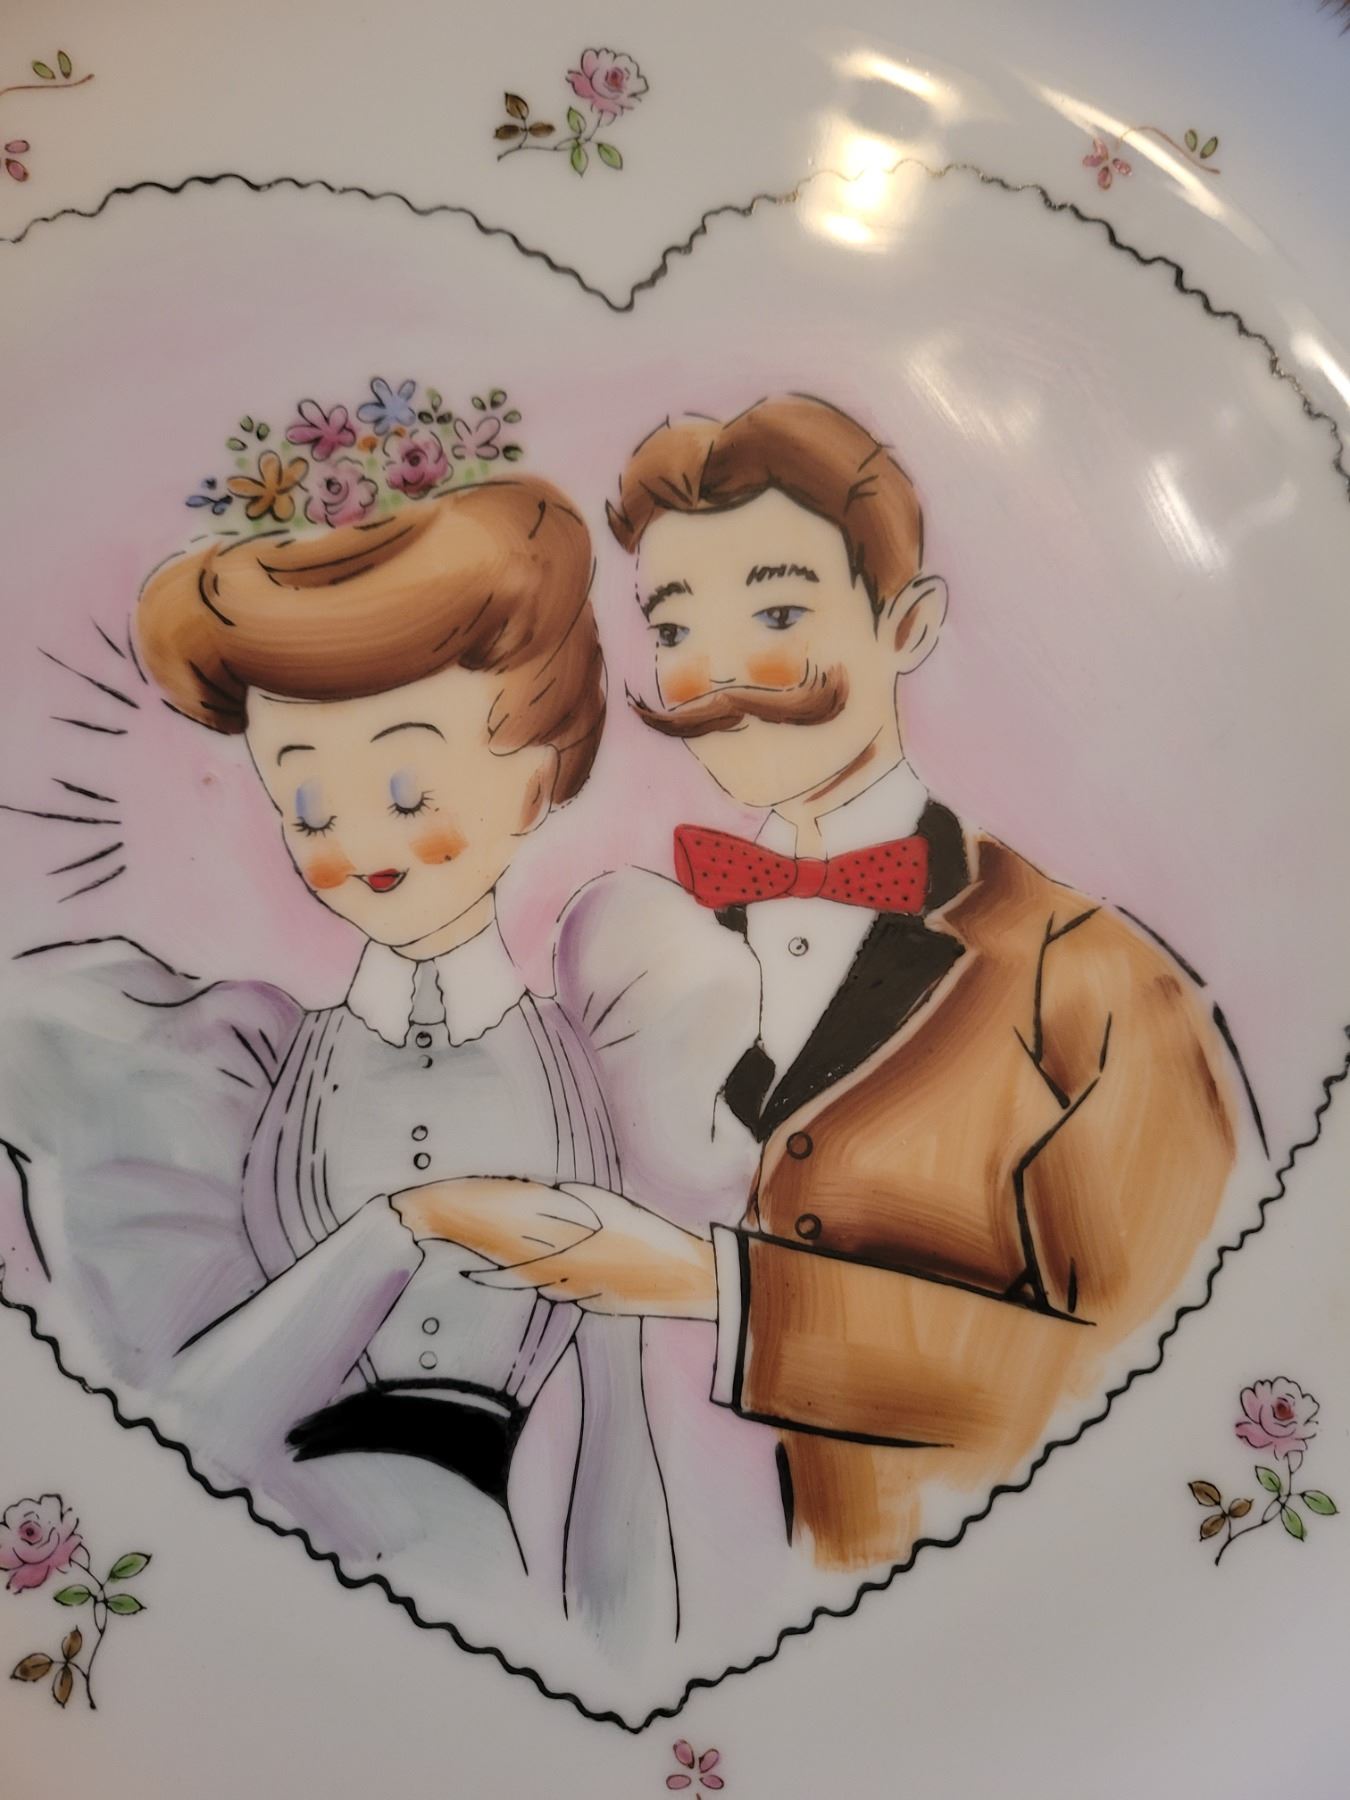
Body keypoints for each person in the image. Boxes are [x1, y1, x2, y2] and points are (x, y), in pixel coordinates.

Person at [475, 395, 1258, 1574]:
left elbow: (1159, 1383)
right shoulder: (633, 959)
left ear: (909, 625)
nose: (719, 673)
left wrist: (722, 1292)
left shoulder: (1095, 982)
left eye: (778, 611)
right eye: (676, 625)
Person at [0, 476, 677, 1658]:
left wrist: (636, 1687)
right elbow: (192, 1415)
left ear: (532, 780)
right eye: (308, 806)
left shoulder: (594, 1075)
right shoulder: (242, 1069)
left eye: (406, 789)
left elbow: (622, 1446)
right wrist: (406, 1228)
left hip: (475, 1595)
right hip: (253, 1590)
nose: (360, 843)